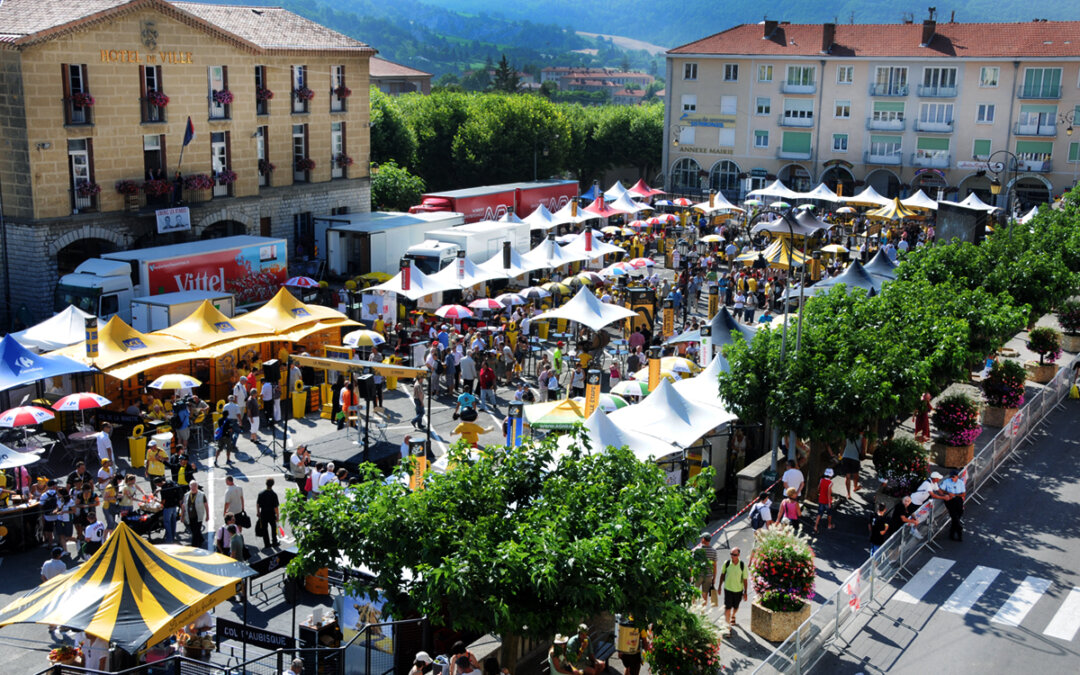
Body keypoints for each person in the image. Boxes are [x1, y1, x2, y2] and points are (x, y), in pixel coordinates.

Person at [720, 547, 748, 634]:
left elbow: (745, 580)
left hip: (738, 590)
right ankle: (727, 628)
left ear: (738, 555)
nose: (732, 556)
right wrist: (719, 586)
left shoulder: (742, 565)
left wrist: (745, 592)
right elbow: (722, 574)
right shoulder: (727, 563)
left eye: (734, 555)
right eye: (731, 554)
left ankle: (733, 615)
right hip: (728, 589)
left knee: (735, 607)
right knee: (727, 608)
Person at [41, 547, 67, 639]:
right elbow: (63, 578)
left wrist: (47, 584)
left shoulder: (46, 563)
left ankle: (51, 625)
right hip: (59, 588)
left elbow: (43, 576)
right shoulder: (62, 565)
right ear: (59, 555)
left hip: (48, 588)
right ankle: (63, 624)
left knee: (50, 606)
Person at [692, 532, 718, 608]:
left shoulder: (697, 550)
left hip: (698, 575)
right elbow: (714, 566)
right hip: (709, 576)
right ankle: (703, 611)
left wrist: (691, 574)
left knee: (694, 593)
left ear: (703, 539)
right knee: (705, 594)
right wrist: (714, 578)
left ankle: (693, 609)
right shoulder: (713, 551)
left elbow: (692, 563)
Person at [154, 476, 182, 544]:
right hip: (174, 506)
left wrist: (156, 500)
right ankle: (173, 536)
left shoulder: (163, 490)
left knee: (167, 523)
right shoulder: (170, 482)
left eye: (157, 484)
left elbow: (163, 502)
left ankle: (169, 540)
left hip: (168, 508)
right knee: (173, 521)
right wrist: (160, 489)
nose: (157, 486)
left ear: (158, 483)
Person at [941, 468, 966, 541]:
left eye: (953, 477)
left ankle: (952, 533)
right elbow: (942, 490)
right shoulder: (946, 482)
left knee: (959, 514)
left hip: (958, 499)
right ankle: (959, 530)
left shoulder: (960, 483)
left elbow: (963, 494)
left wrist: (955, 494)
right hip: (950, 500)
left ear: (957, 476)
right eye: (951, 477)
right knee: (954, 516)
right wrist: (948, 493)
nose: (952, 478)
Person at [181, 481, 209, 548]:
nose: (193, 488)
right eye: (192, 486)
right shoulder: (186, 495)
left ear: (197, 486)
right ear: (189, 486)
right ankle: (201, 539)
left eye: (195, 486)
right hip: (189, 517)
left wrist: (208, 515)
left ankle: (194, 546)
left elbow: (206, 505)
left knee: (195, 532)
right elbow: (183, 506)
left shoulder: (202, 495)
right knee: (194, 530)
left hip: (198, 516)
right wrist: (182, 516)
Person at [257, 477, 280, 549]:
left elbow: (258, 504)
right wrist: (278, 515)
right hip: (271, 514)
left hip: (263, 513)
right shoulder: (274, 494)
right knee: (273, 528)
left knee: (264, 528)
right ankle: (274, 542)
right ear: (272, 484)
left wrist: (258, 512)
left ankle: (267, 544)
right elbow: (275, 507)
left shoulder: (261, 493)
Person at [814, 468, 835, 533]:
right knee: (829, 513)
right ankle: (829, 525)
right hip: (827, 501)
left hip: (821, 499)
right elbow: (828, 493)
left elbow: (818, 488)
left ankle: (815, 526)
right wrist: (829, 502)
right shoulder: (830, 483)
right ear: (831, 475)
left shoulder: (821, 480)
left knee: (819, 513)